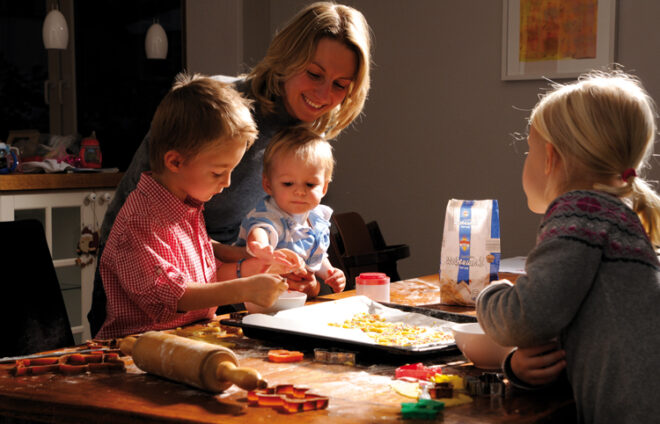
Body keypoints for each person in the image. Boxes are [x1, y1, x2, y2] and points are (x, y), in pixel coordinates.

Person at [88, 1, 372, 336]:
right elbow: (143, 206)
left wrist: (289, 267)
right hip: (152, 284)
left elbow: (246, 237)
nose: (324, 94)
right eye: (314, 74)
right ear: (287, 58)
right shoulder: (219, 109)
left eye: (341, 84)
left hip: (219, 287)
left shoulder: (307, 133)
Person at [476, 70, 660, 423]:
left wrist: (489, 294)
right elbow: (589, 329)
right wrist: (516, 366)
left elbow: (524, 319)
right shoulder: (617, 218)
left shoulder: (580, 212)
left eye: (528, 150)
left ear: (550, 157)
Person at [96, 73, 291, 339]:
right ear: (175, 162)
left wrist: (244, 256)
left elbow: (195, 252)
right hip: (136, 351)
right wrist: (245, 288)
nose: (227, 182)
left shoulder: (184, 203)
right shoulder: (140, 220)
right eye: (218, 172)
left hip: (188, 338)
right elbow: (175, 295)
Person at [235, 127, 346, 298]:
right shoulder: (270, 213)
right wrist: (261, 247)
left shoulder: (316, 219)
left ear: (324, 187)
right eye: (288, 183)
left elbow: (316, 256)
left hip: (293, 298)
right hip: (255, 299)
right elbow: (260, 230)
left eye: (310, 184)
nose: (300, 192)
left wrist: (330, 273)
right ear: (268, 185)